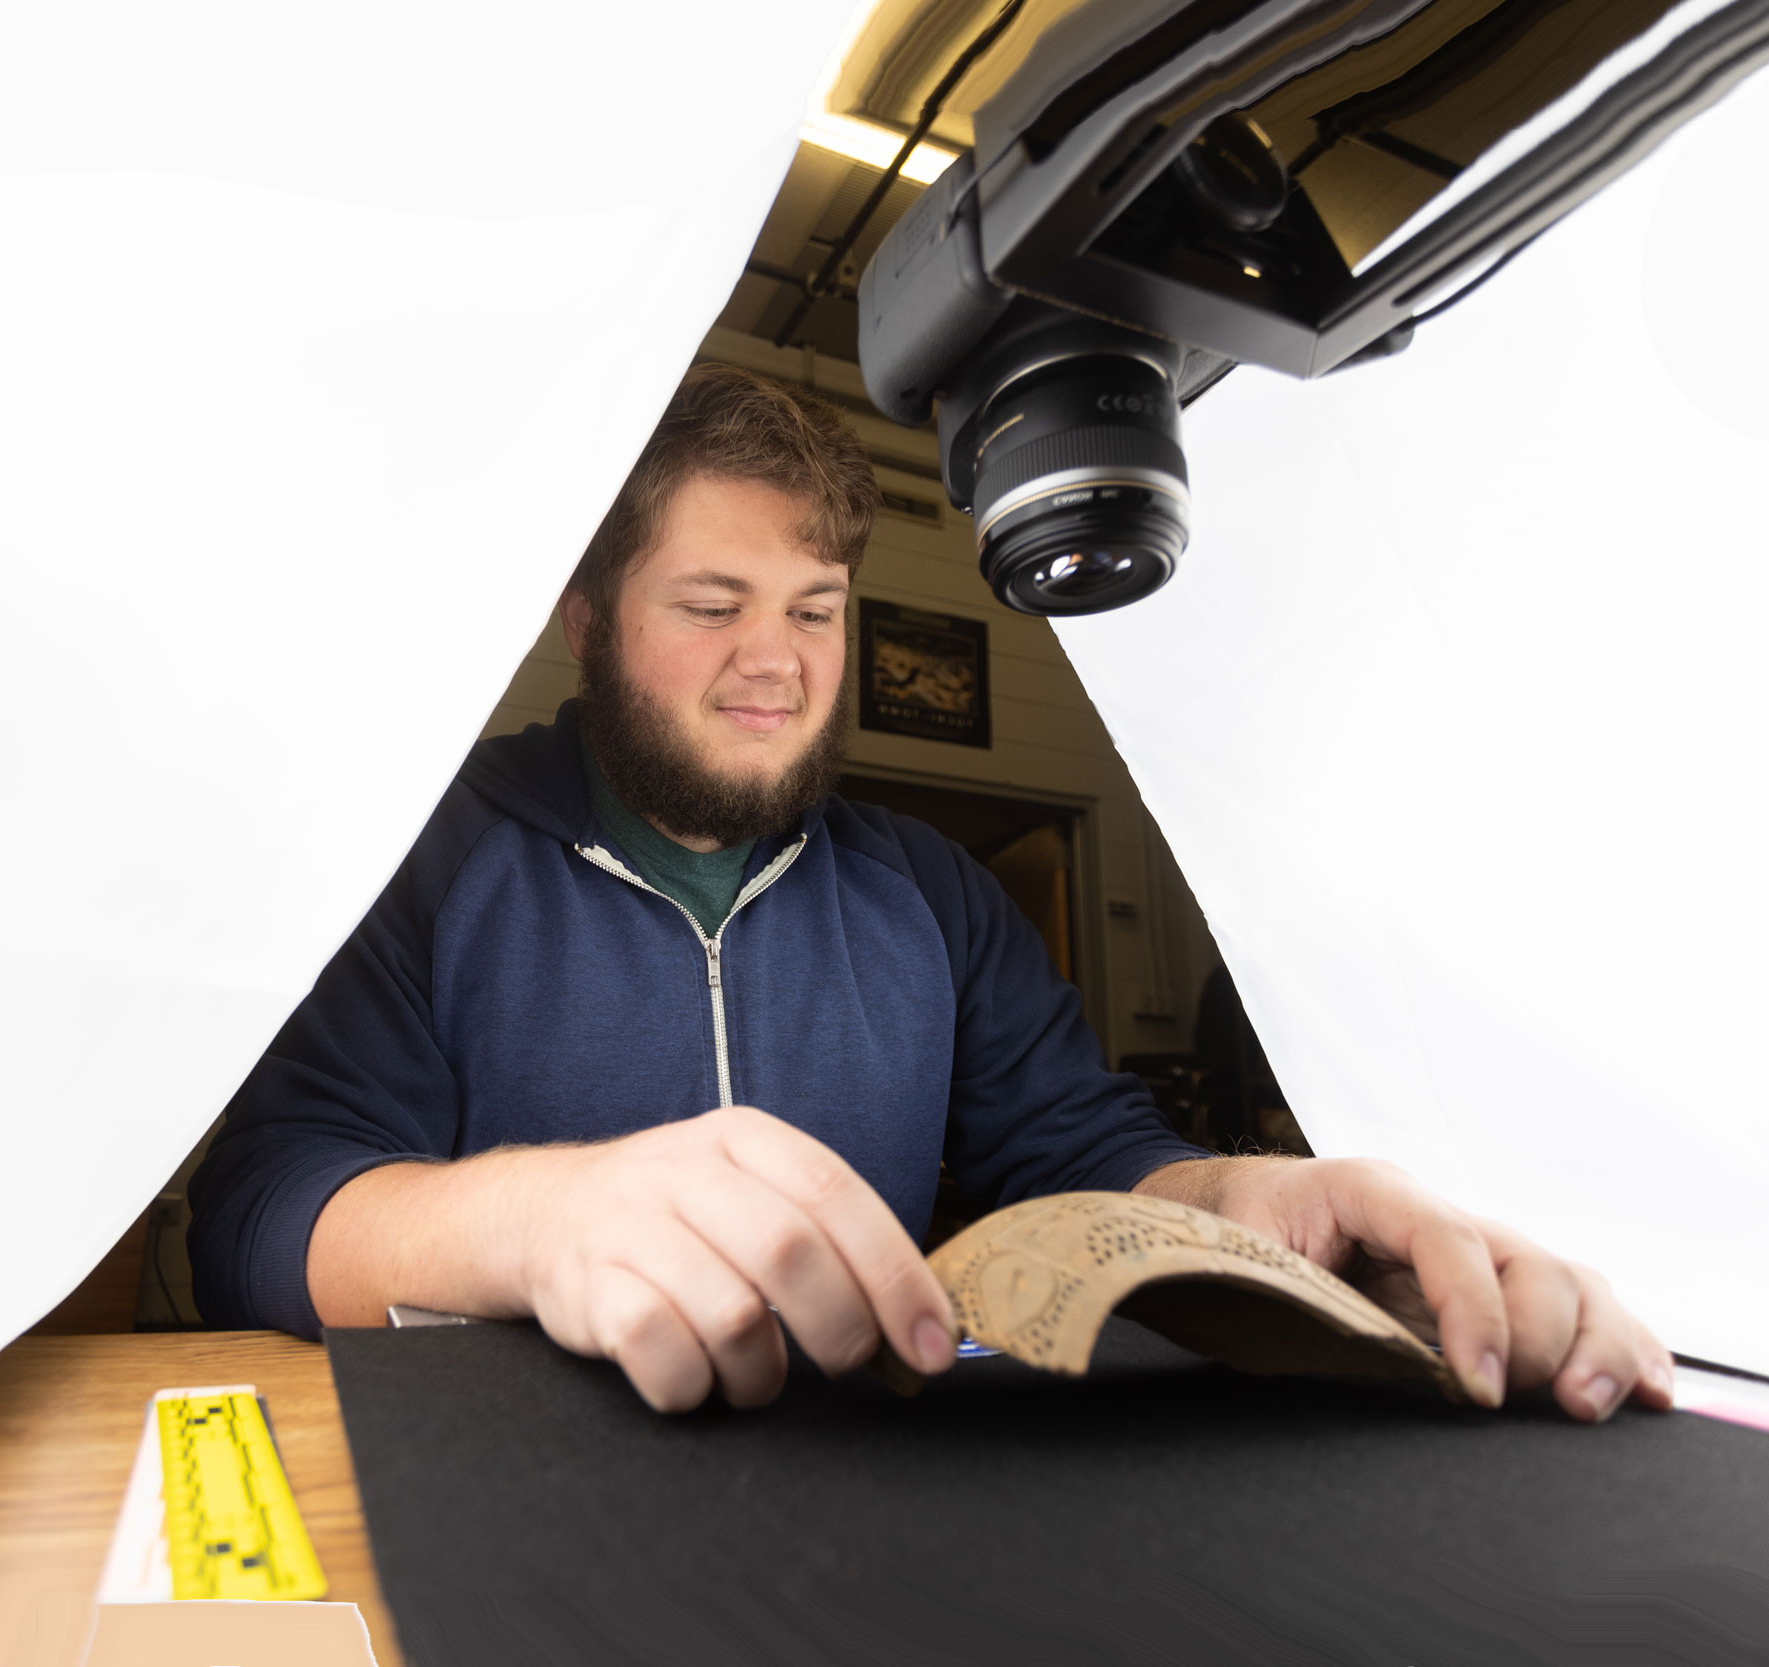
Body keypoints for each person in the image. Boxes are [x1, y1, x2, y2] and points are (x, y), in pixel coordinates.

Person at [186, 364, 1670, 1422]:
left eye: (816, 611)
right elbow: (260, 1212)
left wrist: (1260, 1210)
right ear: (587, 621)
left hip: (850, 1508)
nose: (775, 662)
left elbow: (1089, 1156)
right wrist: (544, 1219)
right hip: (489, 1494)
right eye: (712, 607)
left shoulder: (929, 896)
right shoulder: (421, 859)